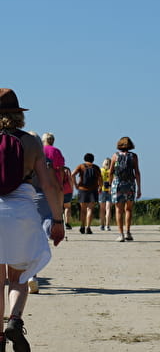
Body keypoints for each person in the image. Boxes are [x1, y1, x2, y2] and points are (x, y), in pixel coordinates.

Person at [0, 89, 64, 351]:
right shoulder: (32, 142)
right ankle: (14, 320)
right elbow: (49, 185)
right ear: (18, 114)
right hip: (22, 214)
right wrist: (58, 220)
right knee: (18, 278)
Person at [27, 131, 64, 295]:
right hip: (45, 199)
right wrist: (59, 211)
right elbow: (55, 186)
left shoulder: (22, 161)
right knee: (45, 223)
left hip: (27, 198)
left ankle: (31, 275)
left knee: (28, 239)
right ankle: (48, 227)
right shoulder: (46, 162)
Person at [109, 137, 141, 242]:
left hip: (117, 184)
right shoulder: (133, 156)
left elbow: (111, 172)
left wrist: (110, 186)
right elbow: (137, 172)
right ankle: (128, 232)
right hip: (130, 184)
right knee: (129, 209)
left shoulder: (115, 156)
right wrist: (139, 187)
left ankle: (120, 234)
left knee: (118, 210)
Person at [72, 153, 102, 235]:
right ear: (93, 159)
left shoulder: (81, 166)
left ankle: (82, 226)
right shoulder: (96, 167)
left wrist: (76, 185)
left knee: (83, 210)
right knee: (90, 209)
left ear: (84, 159)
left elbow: (72, 174)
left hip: (82, 189)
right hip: (93, 190)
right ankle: (88, 227)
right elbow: (100, 178)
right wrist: (100, 187)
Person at [99, 158, 112, 231]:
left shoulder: (101, 170)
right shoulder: (112, 171)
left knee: (102, 209)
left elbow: (98, 180)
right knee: (108, 209)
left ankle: (102, 225)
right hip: (110, 190)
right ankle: (108, 225)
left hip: (102, 190)